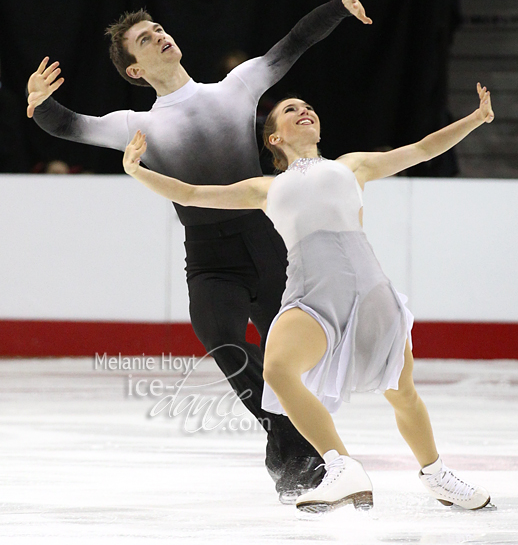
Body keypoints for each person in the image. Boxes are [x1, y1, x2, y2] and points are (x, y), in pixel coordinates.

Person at [26, 0, 372, 501]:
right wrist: (38, 106)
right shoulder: (136, 125)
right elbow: (70, 127)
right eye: (144, 39)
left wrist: (338, 8)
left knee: (291, 359)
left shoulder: (233, 88)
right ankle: (289, 442)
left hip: (267, 246)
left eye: (159, 29)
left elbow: (292, 45)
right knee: (222, 341)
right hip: (209, 258)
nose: (159, 36)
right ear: (134, 70)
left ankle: (304, 457)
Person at [121, 83, 494, 513]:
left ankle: (436, 474)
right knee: (278, 370)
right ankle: (340, 464)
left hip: (367, 287)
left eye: (308, 107)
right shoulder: (264, 188)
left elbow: (424, 149)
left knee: (402, 390)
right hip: (310, 291)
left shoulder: (351, 166)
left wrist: (475, 118)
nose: (304, 111)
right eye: (291, 110)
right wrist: (138, 171)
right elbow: (190, 194)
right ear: (274, 137)